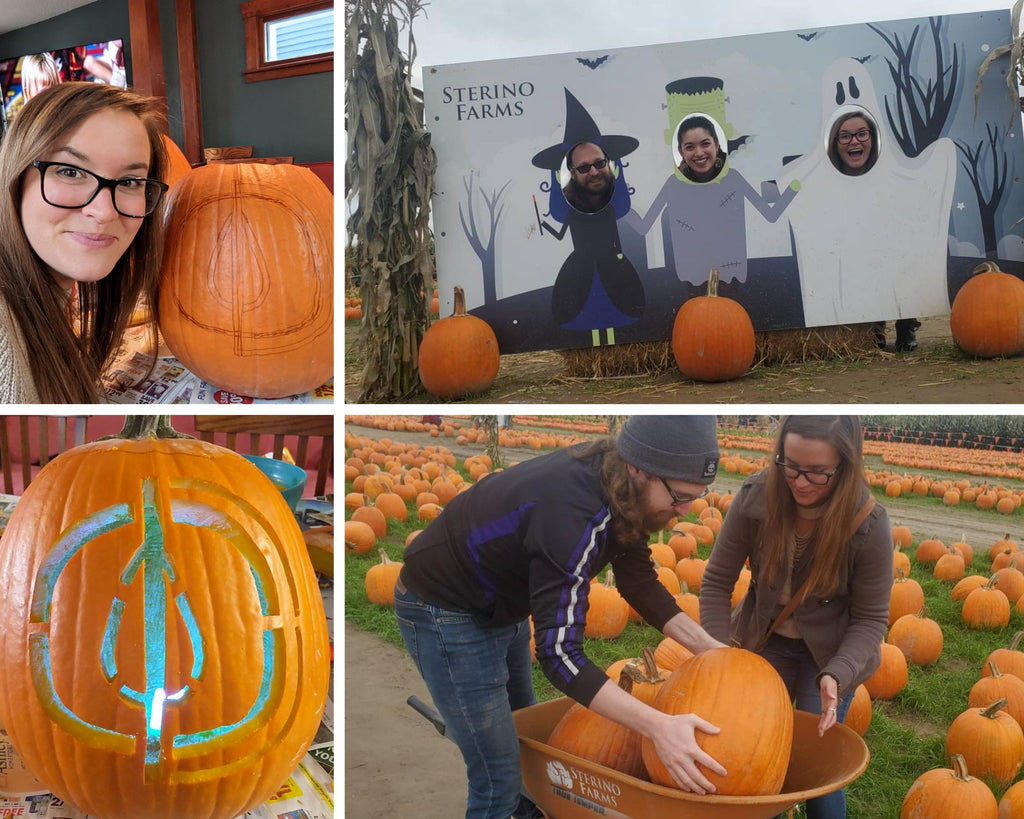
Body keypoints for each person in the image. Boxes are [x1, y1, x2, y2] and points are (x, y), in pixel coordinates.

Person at [396, 416, 729, 819]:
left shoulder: (624, 488)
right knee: (497, 774)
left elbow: (638, 579)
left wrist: (712, 651)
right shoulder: (572, 513)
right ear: (640, 467)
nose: (685, 509)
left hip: (503, 601)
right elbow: (558, 655)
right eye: (679, 496)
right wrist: (658, 726)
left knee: (525, 736)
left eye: (697, 496)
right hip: (445, 609)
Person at [699, 416, 892, 819]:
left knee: (815, 767)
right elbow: (717, 582)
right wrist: (717, 653)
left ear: (845, 465)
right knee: (752, 754)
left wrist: (837, 675)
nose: (801, 482)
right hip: (762, 642)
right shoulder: (756, 497)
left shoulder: (868, 524)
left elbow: (872, 619)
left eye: (818, 473)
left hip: (829, 656)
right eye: (790, 465)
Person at [0, 81, 169, 403]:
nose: (104, 212)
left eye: (130, 181)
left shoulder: (54, 294)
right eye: (69, 171)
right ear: (16, 178)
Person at [829, 112, 920, 351]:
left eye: (861, 134)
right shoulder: (829, 181)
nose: (854, 141)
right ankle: (874, 326)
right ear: (835, 143)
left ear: (872, 138)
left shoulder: (890, 175)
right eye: (845, 136)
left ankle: (906, 322)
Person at [561, 141, 614, 213]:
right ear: (573, 174)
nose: (594, 173)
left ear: (607, 162)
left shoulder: (620, 192)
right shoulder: (564, 202)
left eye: (599, 163)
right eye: (584, 167)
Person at [677, 115, 727, 183]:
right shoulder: (674, 183)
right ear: (681, 152)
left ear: (716, 145)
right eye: (689, 147)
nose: (699, 153)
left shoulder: (734, 169)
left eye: (705, 144)